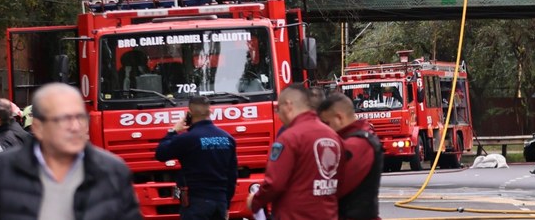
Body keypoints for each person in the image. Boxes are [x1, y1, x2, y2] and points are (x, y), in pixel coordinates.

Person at [0, 82, 141, 220]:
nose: (75, 127)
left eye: (80, 117)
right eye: (63, 119)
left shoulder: (113, 171)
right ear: (39, 127)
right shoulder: (1, 170)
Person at [247, 83, 341, 220]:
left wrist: (255, 201)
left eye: (278, 109)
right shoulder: (334, 136)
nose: (278, 115)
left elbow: (274, 183)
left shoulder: (289, 138)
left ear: (288, 105)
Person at [155, 95, 238, 220]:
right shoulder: (228, 139)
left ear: (189, 113)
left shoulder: (187, 139)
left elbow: (160, 153)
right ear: (211, 111)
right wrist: (226, 204)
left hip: (196, 203)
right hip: (220, 202)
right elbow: (232, 176)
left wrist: (173, 131)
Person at [318, 92, 383, 220]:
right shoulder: (357, 140)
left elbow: (333, 187)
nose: (324, 129)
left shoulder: (356, 144)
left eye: (327, 123)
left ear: (339, 118)